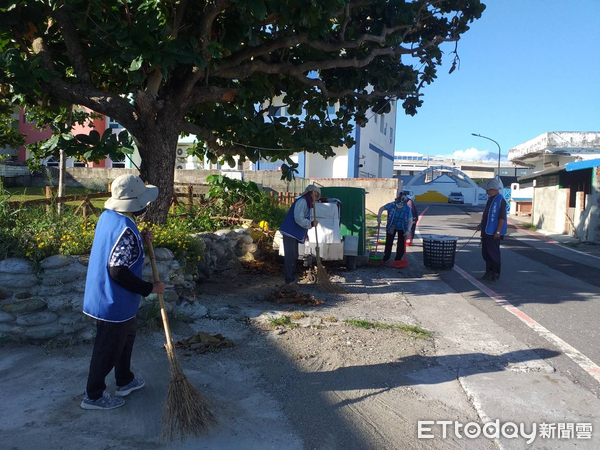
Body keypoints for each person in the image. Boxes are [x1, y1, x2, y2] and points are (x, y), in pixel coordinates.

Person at [81, 174, 165, 410]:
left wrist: (140, 236)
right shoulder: (125, 229)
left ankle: (124, 380)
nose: (146, 205)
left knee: (126, 340)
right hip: (113, 301)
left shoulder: (110, 218)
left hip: (112, 298)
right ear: (134, 203)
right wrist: (150, 288)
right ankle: (93, 396)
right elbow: (118, 270)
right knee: (107, 348)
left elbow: (116, 248)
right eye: (143, 201)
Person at [279, 185, 320, 288]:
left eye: (317, 196)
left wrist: (305, 233)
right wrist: (310, 224)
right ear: (310, 193)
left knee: (294, 255)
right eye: (315, 195)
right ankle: (289, 281)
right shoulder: (302, 201)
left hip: (294, 233)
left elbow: (302, 218)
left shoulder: (307, 203)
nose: (316, 198)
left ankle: (291, 279)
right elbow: (298, 218)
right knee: (290, 256)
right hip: (290, 231)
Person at [476, 178, 507, 284]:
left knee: (494, 254)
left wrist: (498, 232)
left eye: (487, 189)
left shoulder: (500, 200)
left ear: (491, 189)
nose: (486, 191)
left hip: (493, 233)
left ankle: (495, 275)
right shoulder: (490, 199)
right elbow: (488, 216)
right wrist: (481, 225)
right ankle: (488, 273)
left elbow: (501, 218)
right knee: (486, 253)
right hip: (486, 232)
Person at [377, 193, 413, 263]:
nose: (399, 207)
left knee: (401, 243)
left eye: (401, 206)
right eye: (398, 205)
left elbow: (410, 220)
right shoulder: (391, 205)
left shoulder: (407, 209)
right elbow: (381, 208)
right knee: (389, 242)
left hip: (403, 227)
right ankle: (386, 257)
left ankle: (397, 259)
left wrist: (408, 230)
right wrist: (379, 217)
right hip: (392, 226)